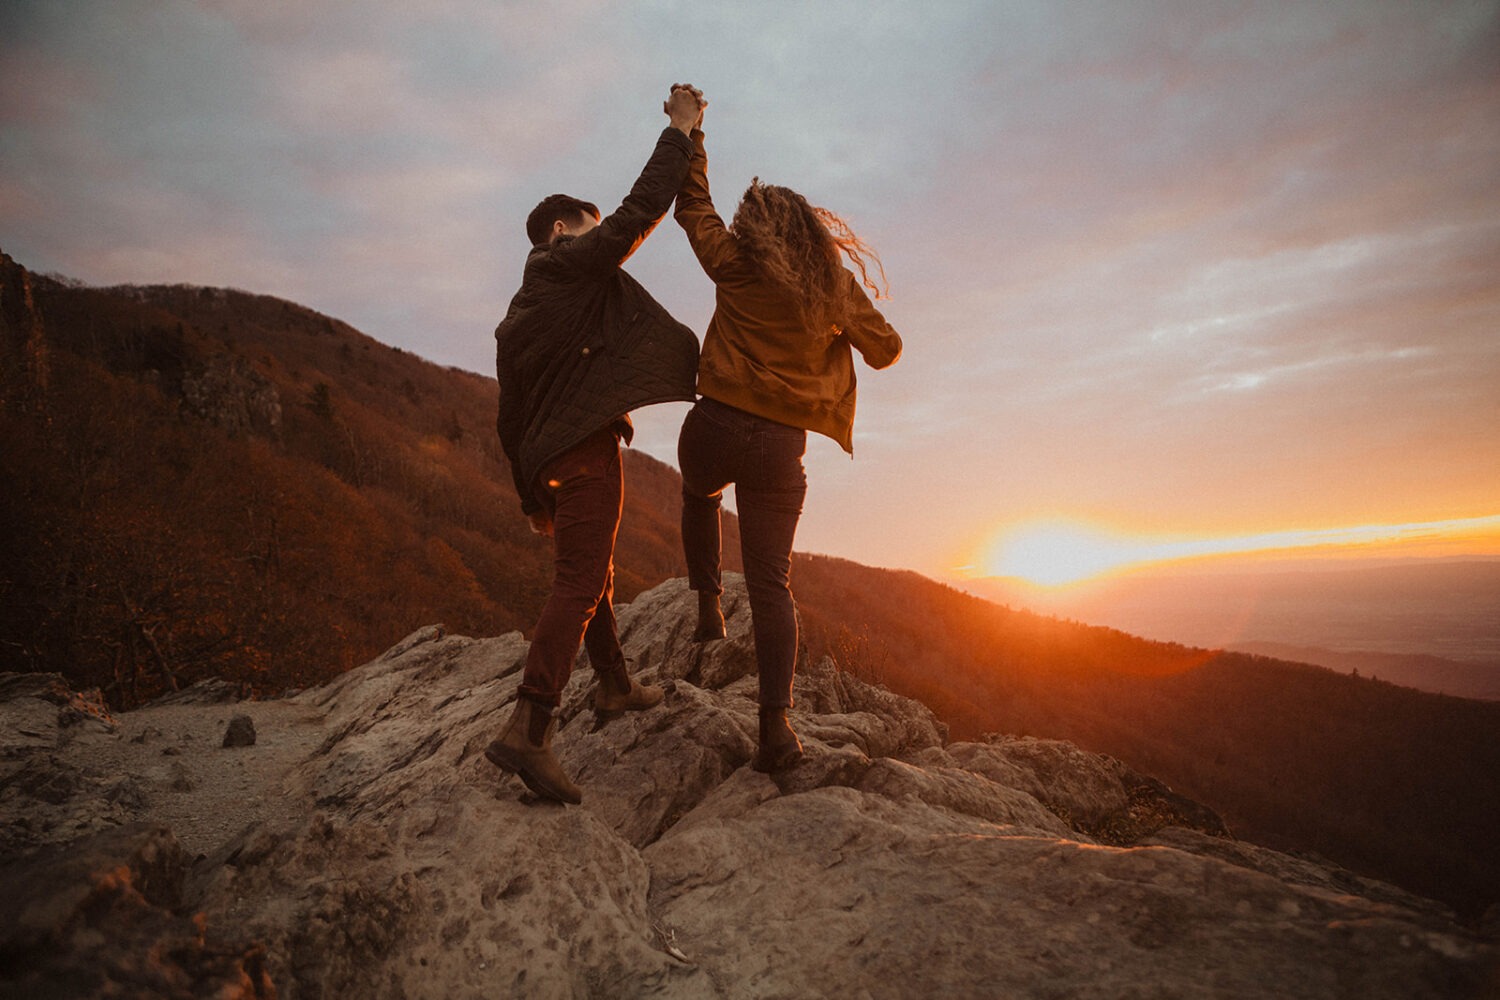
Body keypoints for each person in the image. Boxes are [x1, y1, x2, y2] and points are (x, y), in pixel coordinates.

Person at [487, 84, 708, 804]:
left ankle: (613, 685)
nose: (599, 236)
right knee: (579, 583)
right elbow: (639, 211)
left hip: (548, 461)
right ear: (561, 233)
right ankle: (530, 727)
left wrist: (529, 495)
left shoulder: (521, 309)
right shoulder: (570, 264)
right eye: (587, 227)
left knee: (593, 571)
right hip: (583, 453)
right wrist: (680, 131)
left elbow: (508, 413)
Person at [672, 103, 903, 773]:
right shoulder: (832, 290)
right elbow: (887, 349)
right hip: (781, 447)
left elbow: (694, 206)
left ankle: (709, 604)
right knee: (773, 585)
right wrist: (837, 331)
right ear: (806, 232)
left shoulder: (734, 264)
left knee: (697, 495)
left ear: (754, 230)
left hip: (714, 423)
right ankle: (777, 731)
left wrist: (694, 136)